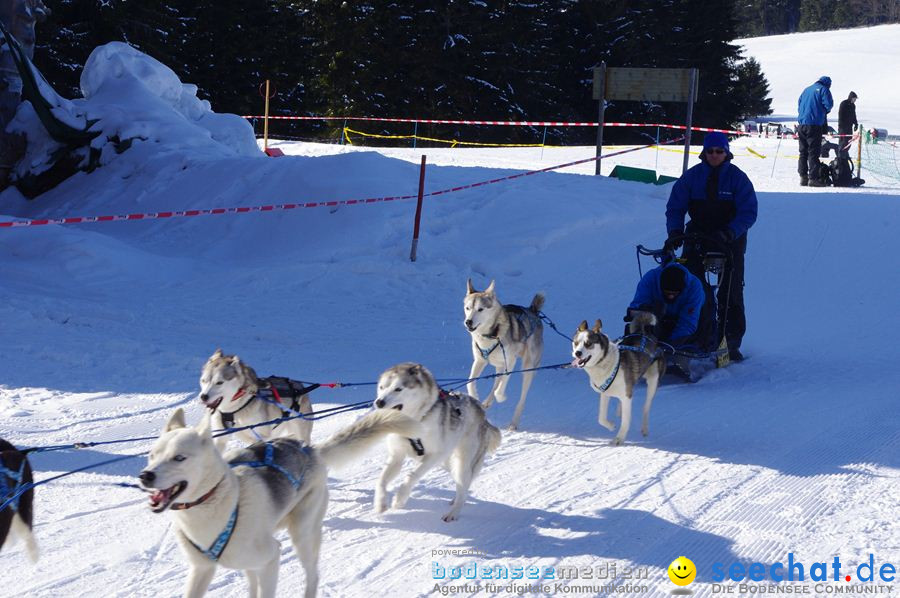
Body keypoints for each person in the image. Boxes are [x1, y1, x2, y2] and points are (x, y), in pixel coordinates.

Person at [663, 131, 757, 362]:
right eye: (710, 151)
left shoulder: (738, 178)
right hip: (697, 234)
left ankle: (731, 340)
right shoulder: (691, 178)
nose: (715, 155)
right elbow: (675, 208)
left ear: (727, 153)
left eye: (719, 151)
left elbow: (748, 212)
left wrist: (730, 232)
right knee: (691, 286)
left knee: (731, 289)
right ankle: (693, 335)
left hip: (729, 237)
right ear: (704, 153)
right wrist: (675, 233)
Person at [626, 262, 708, 348]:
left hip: (685, 321)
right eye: (667, 293)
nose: (671, 296)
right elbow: (637, 306)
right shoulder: (650, 279)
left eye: (674, 293)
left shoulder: (694, 288)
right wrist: (645, 312)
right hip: (657, 319)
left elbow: (688, 323)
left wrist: (668, 347)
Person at [796, 76, 834, 187]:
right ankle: (813, 178)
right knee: (813, 152)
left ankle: (803, 177)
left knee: (803, 152)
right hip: (814, 125)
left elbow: (799, 104)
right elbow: (828, 104)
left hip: (802, 124)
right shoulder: (824, 89)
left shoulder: (806, 89)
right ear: (827, 84)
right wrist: (822, 112)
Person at [837, 91, 858, 155]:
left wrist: (855, 123)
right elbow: (840, 114)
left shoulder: (853, 105)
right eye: (854, 99)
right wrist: (841, 125)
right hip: (843, 127)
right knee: (843, 141)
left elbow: (854, 115)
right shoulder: (844, 103)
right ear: (851, 98)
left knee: (849, 141)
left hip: (849, 126)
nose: (855, 100)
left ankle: (845, 154)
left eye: (855, 99)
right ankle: (840, 155)